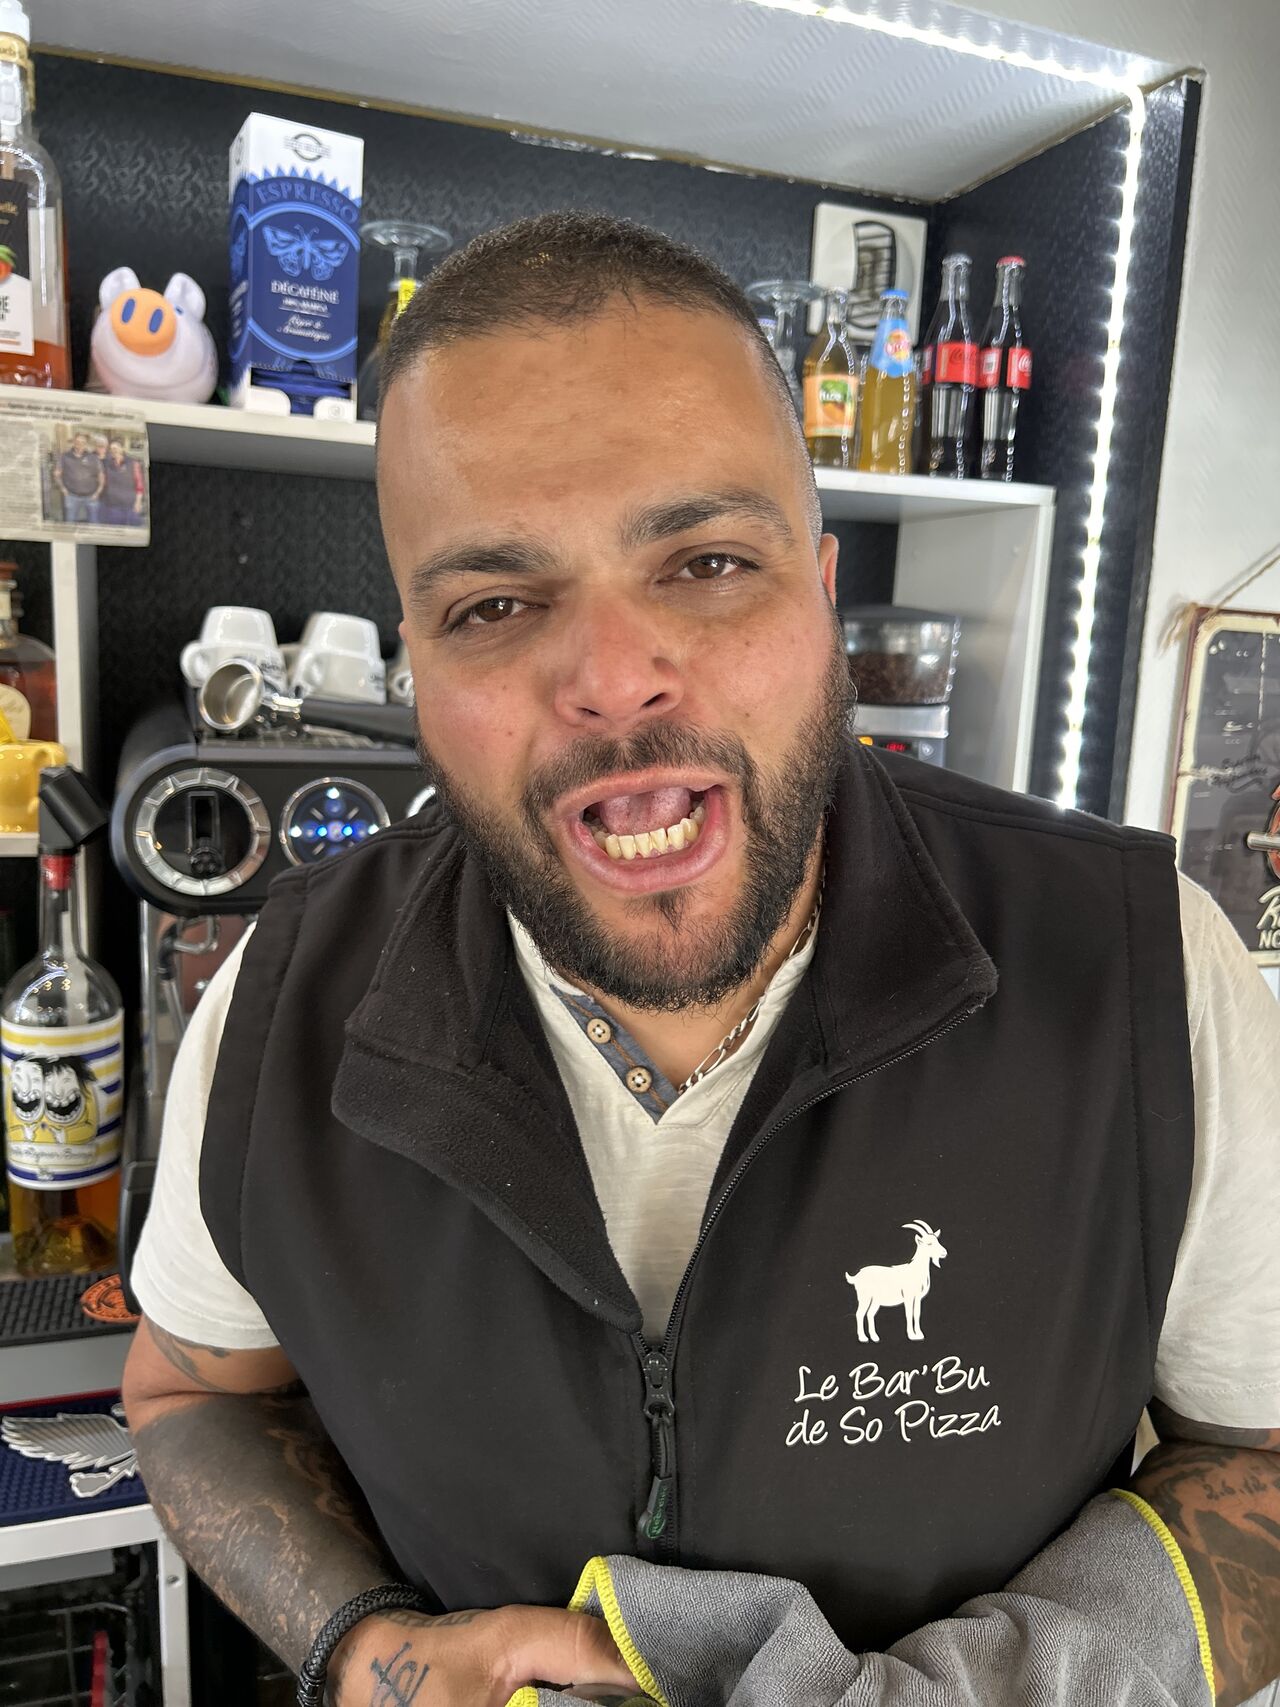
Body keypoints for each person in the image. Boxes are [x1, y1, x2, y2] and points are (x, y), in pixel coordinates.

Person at [121, 214, 1280, 1707]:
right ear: (415, 657)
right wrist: (372, 1653)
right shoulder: (280, 1006)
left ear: (821, 588)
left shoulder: (1143, 978)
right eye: (493, 605)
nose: (614, 681)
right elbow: (189, 1393)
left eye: (708, 562)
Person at [52, 430, 104, 525]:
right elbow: (56, 474)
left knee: (94, 523)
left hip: (91, 497)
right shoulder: (65, 456)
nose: (80, 445)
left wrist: (98, 492)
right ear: (74, 442)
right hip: (72, 496)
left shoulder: (93, 457)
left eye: (83, 442)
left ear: (86, 444)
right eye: (77, 442)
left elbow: (101, 475)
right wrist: (63, 489)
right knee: (70, 522)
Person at [99, 437, 145, 527]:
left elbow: (139, 485)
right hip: (113, 506)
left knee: (133, 530)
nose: (113, 451)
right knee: (116, 530)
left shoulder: (133, 463)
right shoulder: (107, 463)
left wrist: (138, 502)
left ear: (122, 448)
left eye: (115, 448)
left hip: (130, 505)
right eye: (111, 449)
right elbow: (103, 480)